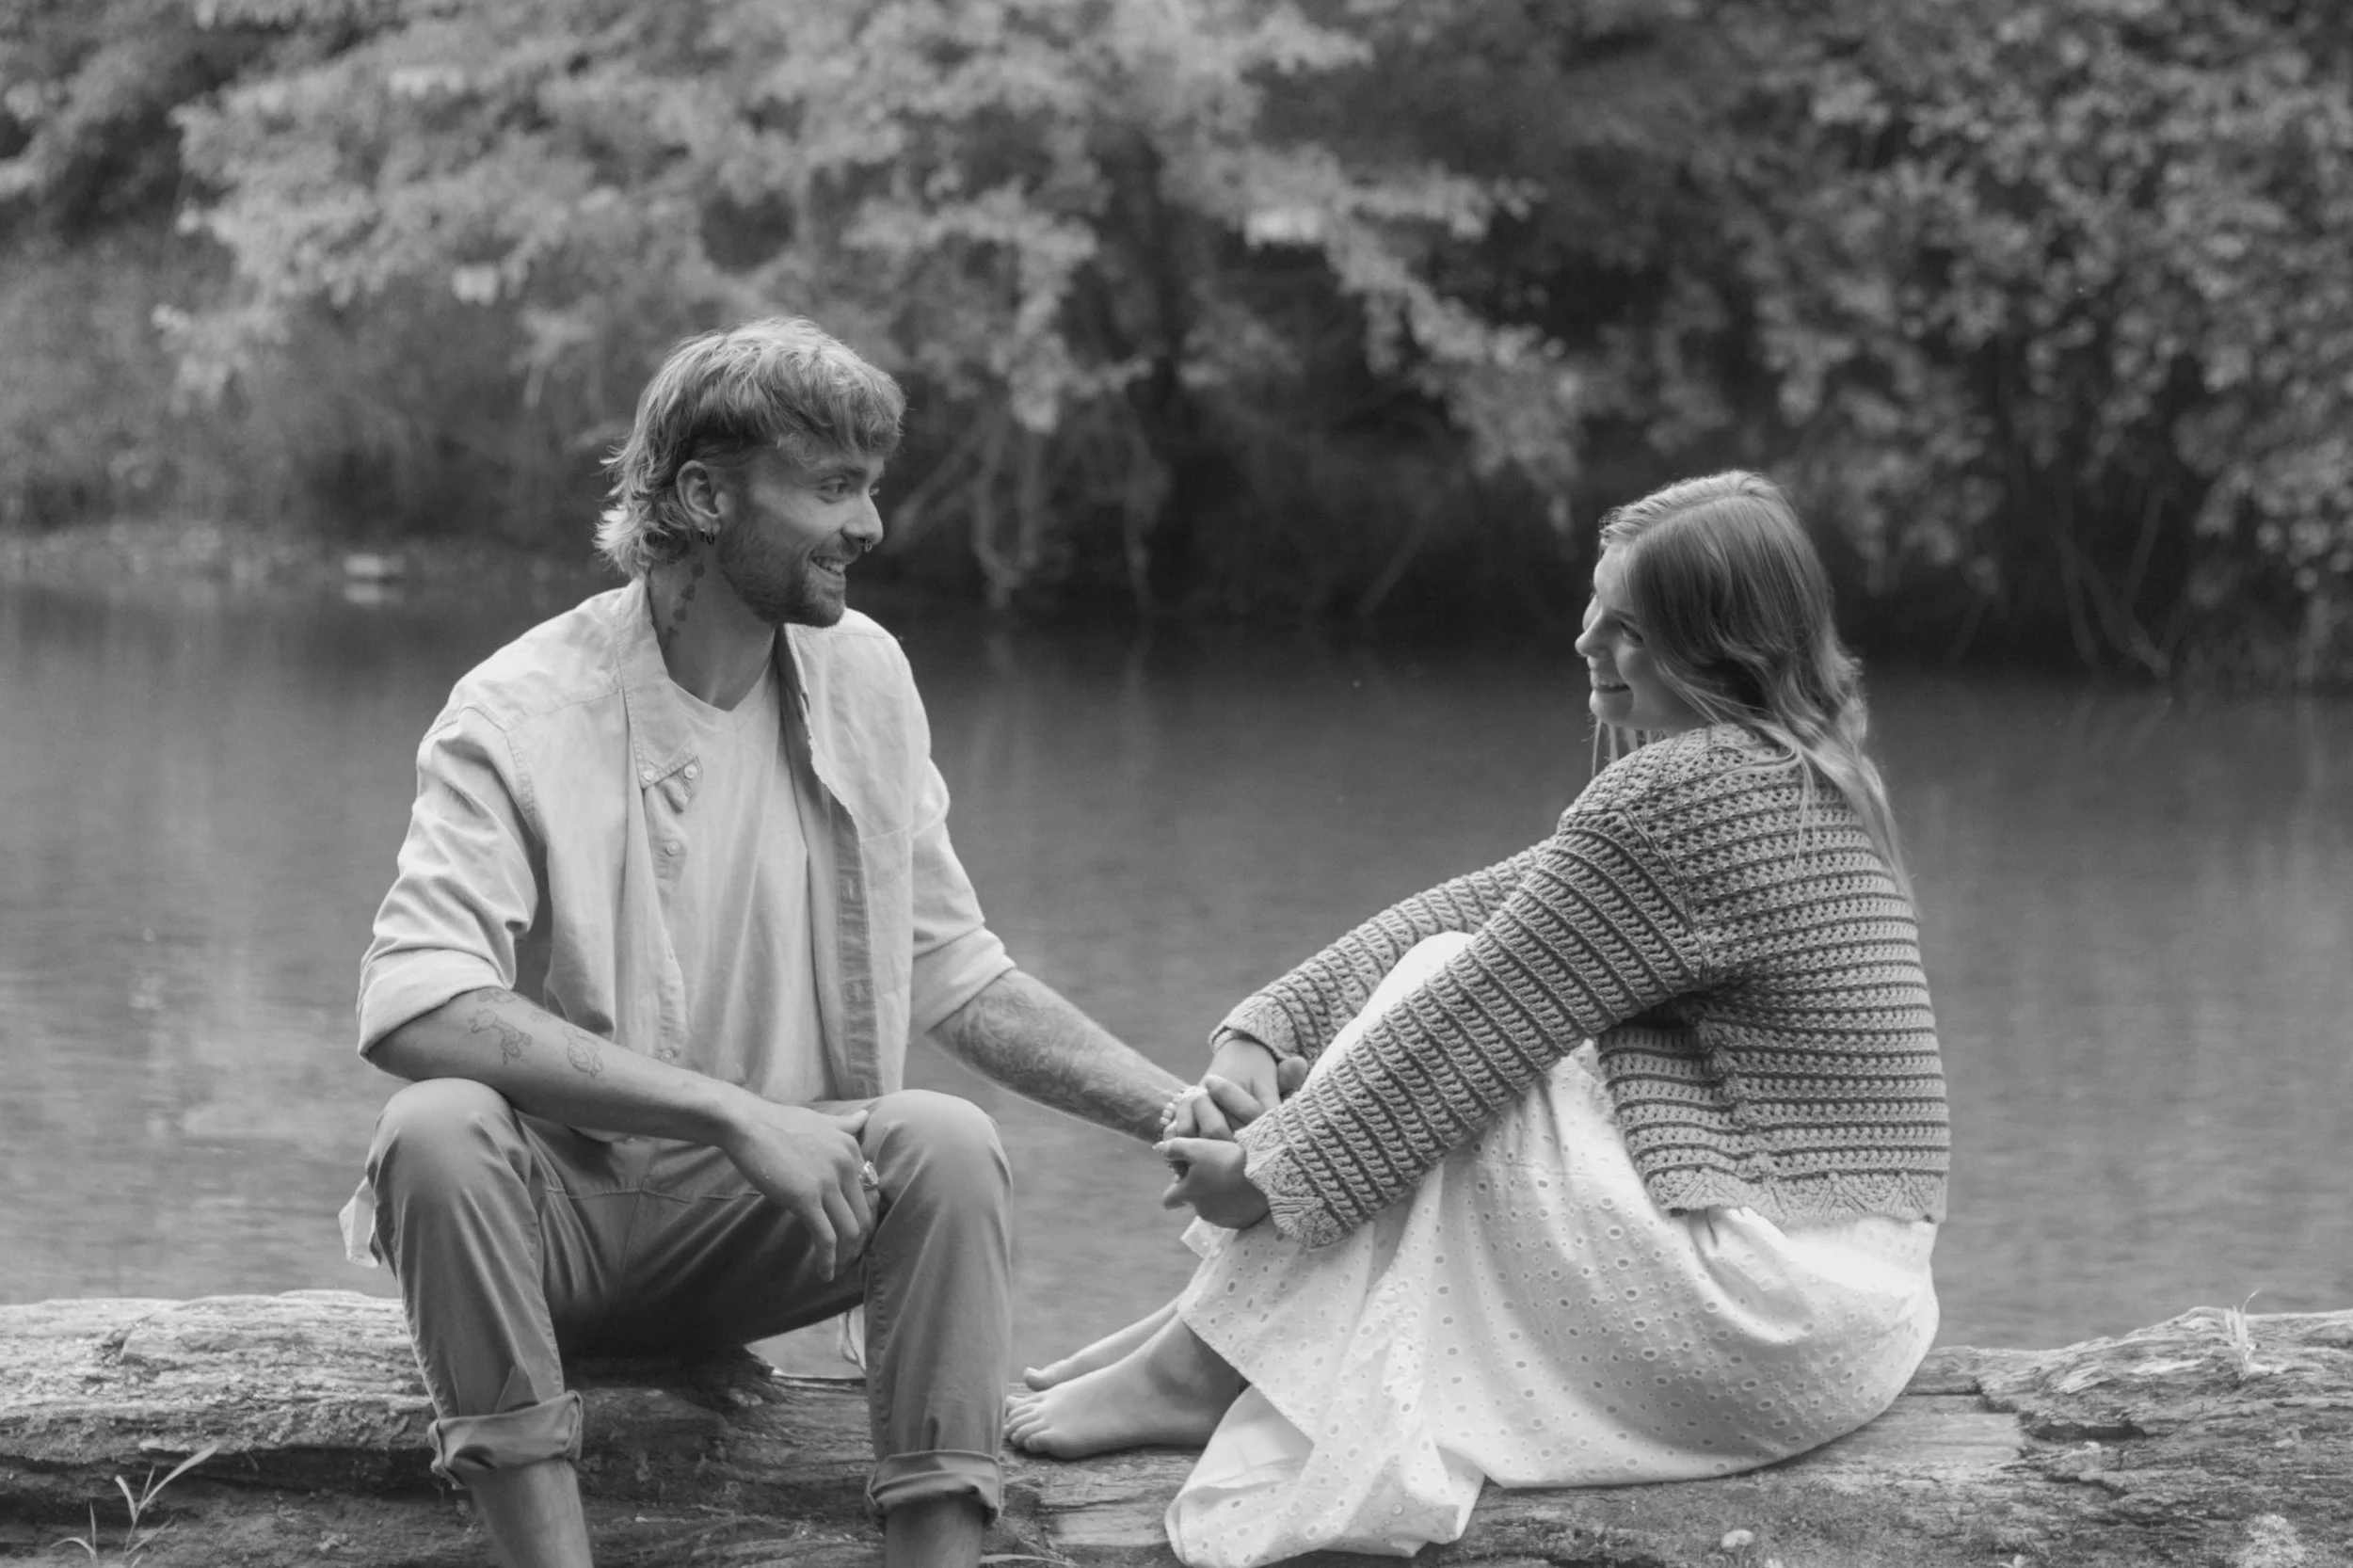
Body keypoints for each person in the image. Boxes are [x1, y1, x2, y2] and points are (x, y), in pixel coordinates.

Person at [339, 317, 1189, 1568]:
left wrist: (1176, 1112)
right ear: (702, 493)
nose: (871, 525)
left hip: (760, 1223)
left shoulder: (867, 679)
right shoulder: (518, 710)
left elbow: (960, 971)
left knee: (945, 1144)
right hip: (556, 1225)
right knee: (433, 1133)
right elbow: (415, 1003)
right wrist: (733, 1114)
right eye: (834, 487)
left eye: (871, 486)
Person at [1004, 472, 1950, 1567]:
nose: (1587, 638)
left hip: (1768, 1317)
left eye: (1629, 626)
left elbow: (1469, 1007)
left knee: (1462, 1015)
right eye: (1595, 604)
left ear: (1718, 646)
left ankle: (1199, 1365)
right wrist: (1264, 1029)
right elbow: (1501, 900)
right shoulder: (1798, 766)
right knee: (1479, 1010)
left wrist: (1264, 1177)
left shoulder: (1686, 794)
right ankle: (1213, 1334)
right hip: (1858, 1311)